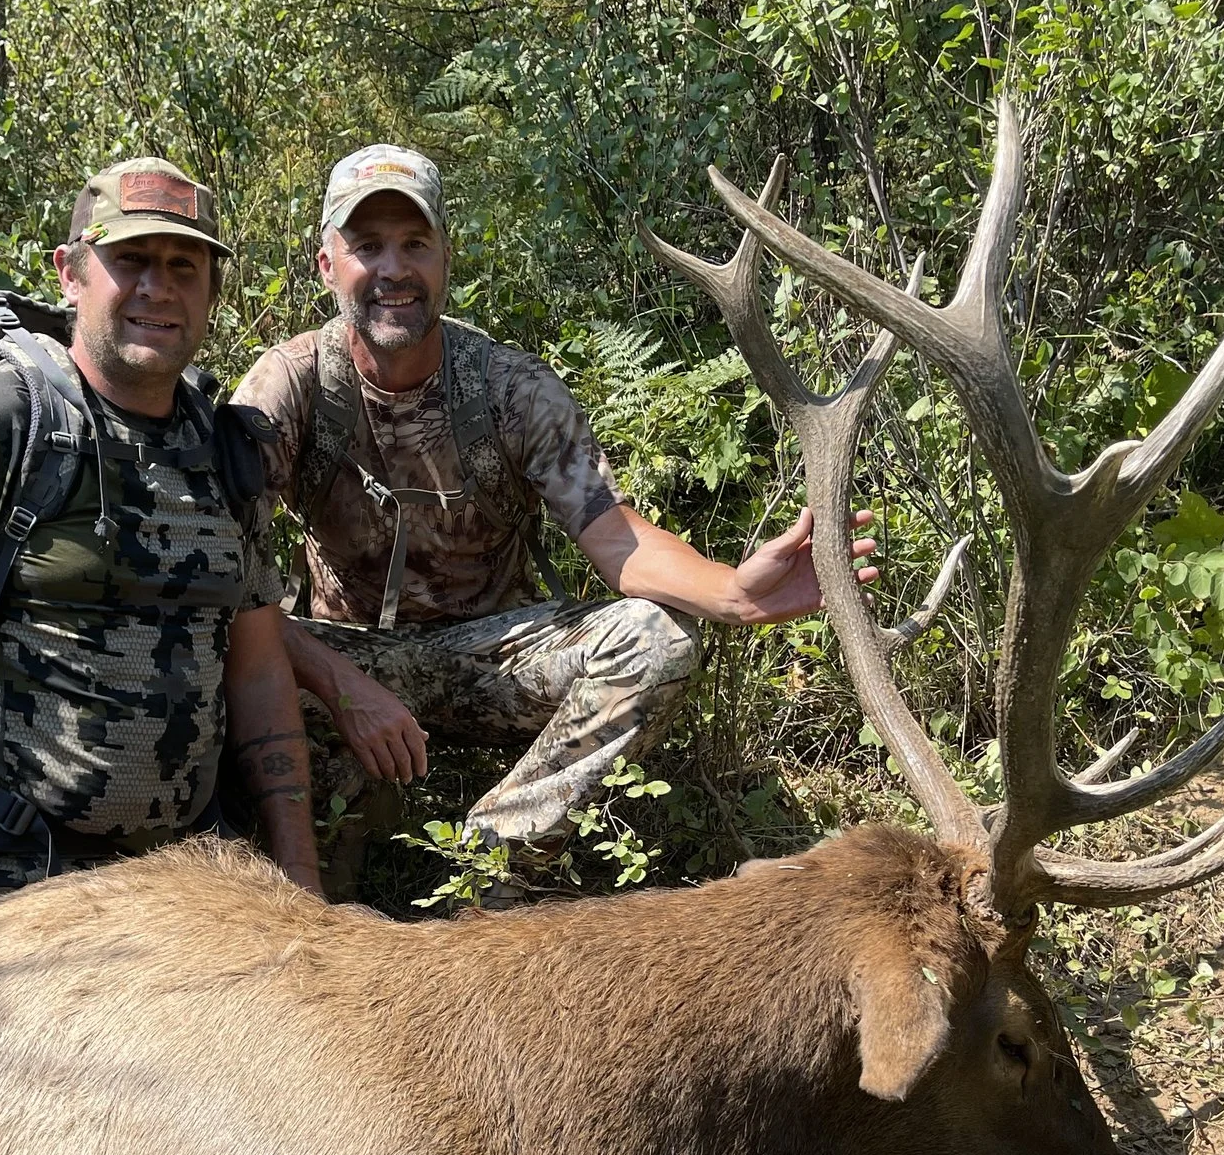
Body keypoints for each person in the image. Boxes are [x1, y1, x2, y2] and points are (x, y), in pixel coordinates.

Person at [232, 144, 875, 896]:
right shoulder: (292, 383)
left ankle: (491, 863)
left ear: (446, 256)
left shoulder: (510, 388)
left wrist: (735, 592)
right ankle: (304, 881)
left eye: (415, 244)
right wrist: (343, 683)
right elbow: (227, 572)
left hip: (493, 658)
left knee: (657, 637)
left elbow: (613, 534)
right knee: (224, 654)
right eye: (366, 246)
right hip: (343, 662)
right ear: (326, 265)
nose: (392, 271)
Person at [0, 158, 320, 953]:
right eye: (131, 261)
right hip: (10, 884)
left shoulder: (225, 448)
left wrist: (299, 882)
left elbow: (256, 669)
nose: (158, 287)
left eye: (185, 266)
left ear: (212, 291)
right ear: (71, 274)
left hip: (185, 890)